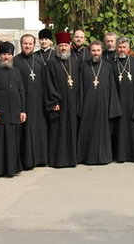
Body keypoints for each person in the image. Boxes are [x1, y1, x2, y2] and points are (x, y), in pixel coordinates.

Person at [0, 42, 26, 177]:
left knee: (12, 142)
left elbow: (21, 92)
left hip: (14, 112)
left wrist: (23, 110)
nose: (6, 57)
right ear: (0, 55)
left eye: (9, 54)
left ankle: (12, 169)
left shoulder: (16, 71)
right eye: (3, 54)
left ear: (12, 55)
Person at [78, 41, 121, 165]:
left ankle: (103, 157)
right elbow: (80, 88)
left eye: (98, 50)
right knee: (88, 132)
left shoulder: (107, 66)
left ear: (101, 51)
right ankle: (87, 157)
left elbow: (112, 88)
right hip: (87, 106)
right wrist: (80, 106)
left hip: (103, 105)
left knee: (102, 133)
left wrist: (111, 109)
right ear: (89, 51)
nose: (95, 53)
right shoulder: (83, 66)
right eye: (93, 50)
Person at [44, 32, 81, 168]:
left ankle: (72, 159)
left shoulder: (74, 62)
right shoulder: (52, 63)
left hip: (72, 103)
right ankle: (57, 160)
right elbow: (49, 84)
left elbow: (79, 83)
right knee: (58, 131)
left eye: (65, 45)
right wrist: (54, 102)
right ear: (57, 47)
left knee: (71, 130)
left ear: (70, 46)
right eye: (61, 46)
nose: (63, 48)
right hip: (59, 104)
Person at [13, 34, 48, 170]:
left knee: (39, 130)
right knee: (25, 132)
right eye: (25, 44)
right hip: (23, 103)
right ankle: (26, 161)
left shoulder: (39, 61)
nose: (27, 46)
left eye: (30, 44)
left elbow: (45, 83)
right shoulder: (15, 61)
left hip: (38, 103)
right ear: (21, 45)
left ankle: (40, 159)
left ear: (34, 45)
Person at [111, 37, 134, 162]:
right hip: (118, 103)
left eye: (124, 47)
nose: (121, 50)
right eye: (119, 47)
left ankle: (133, 155)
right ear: (116, 48)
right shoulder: (112, 65)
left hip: (133, 103)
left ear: (128, 49)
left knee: (133, 130)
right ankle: (120, 156)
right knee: (119, 131)